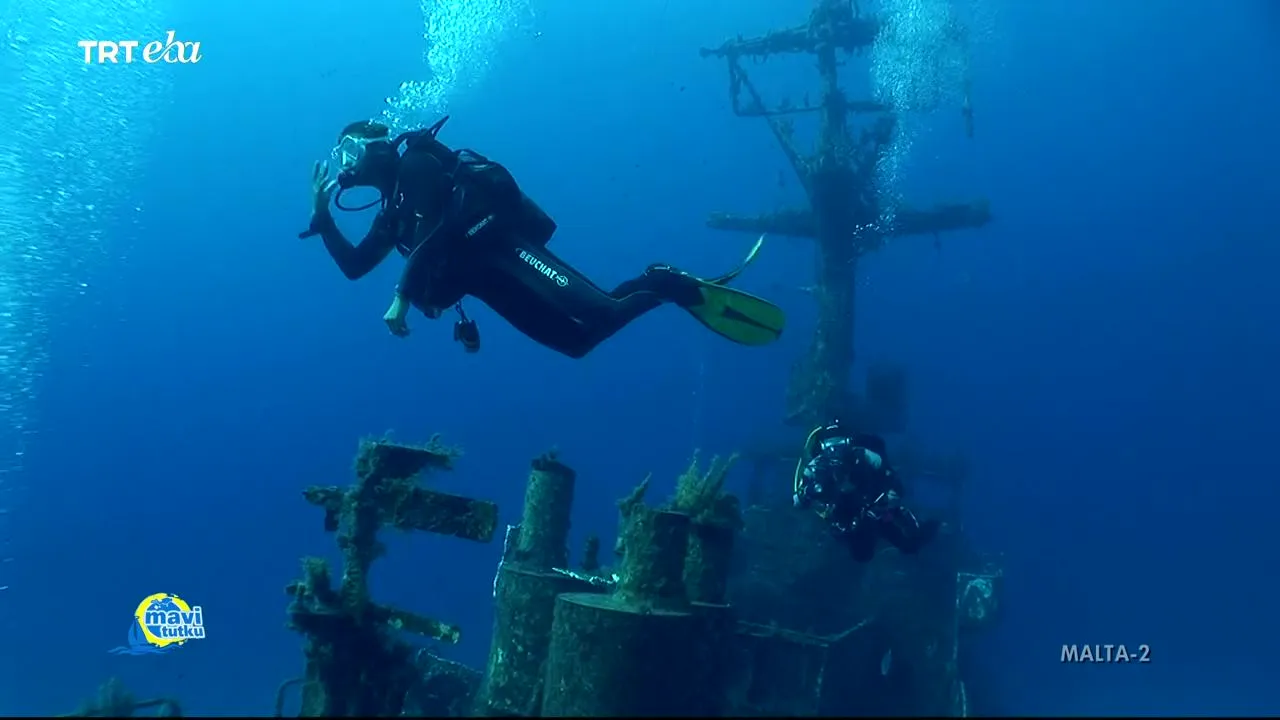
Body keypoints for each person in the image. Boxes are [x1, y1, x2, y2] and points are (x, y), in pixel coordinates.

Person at [298, 117, 786, 358]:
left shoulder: (417, 164)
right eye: (342, 157)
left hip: (505, 250)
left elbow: (441, 229)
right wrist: (323, 218)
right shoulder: (391, 214)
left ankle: (667, 284)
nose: (347, 164)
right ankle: (653, 282)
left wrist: (403, 296)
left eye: (351, 151)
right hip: (488, 283)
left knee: (604, 313)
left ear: (378, 148)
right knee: (577, 343)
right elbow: (355, 266)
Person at [793, 421, 940, 562]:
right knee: (861, 554)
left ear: (849, 443)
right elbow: (798, 501)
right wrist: (809, 491)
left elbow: (893, 482)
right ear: (823, 447)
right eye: (830, 446)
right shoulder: (816, 467)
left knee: (906, 545)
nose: (835, 451)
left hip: (873, 509)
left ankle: (927, 526)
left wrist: (886, 501)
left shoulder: (865, 456)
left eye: (841, 444)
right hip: (843, 516)